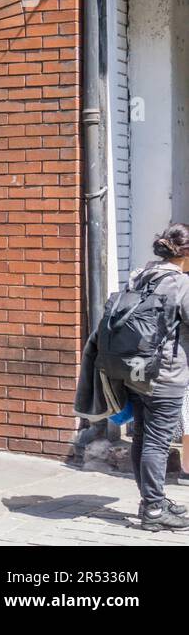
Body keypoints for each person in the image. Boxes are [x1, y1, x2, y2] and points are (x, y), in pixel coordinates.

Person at [124, 225, 189, 531]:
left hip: (135, 369)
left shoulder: (139, 275)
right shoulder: (180, 283)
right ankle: (152, 509)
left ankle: (152, 499)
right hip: (167, 374)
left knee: (141, 436)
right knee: (158, 442)